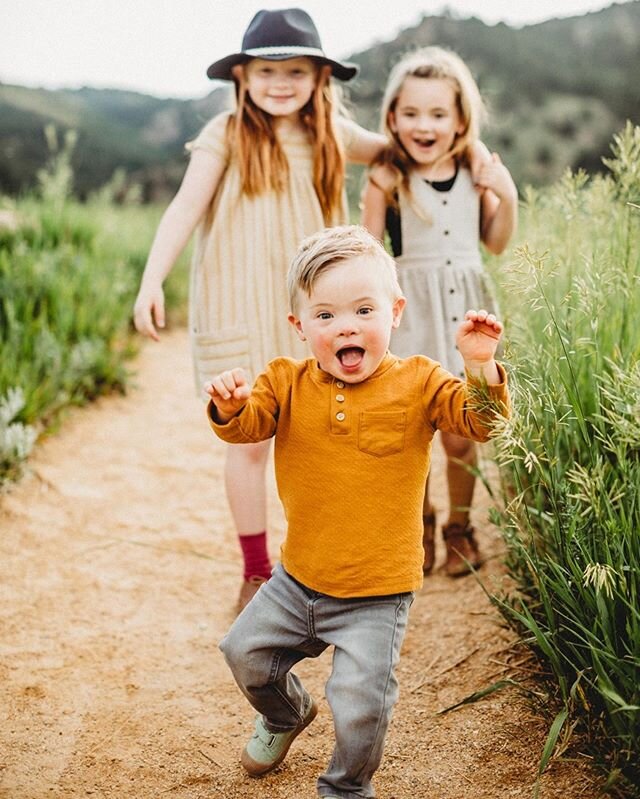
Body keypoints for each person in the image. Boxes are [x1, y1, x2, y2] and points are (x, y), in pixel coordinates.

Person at [205, 224, 510, 799]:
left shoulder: (420, 381)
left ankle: (346, 788)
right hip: (298, 579)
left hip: (377, 592)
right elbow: (246, 427)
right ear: (300, 327)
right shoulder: (284, 382)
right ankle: (286, 713)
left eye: (363, 309)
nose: (346, 325)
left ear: (394, 312)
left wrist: (479, 366)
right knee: (243, 652)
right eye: (325, 316)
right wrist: (229, 405)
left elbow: (481, 423)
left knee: (361, 704)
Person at [132, 8, 386, 613]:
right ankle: (254, 571)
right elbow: (184, 208)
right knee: (246, 441)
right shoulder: (227, 132)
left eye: (297, 70)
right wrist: (151, 280)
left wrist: (475, 161)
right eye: (267, 69)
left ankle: (324, 566)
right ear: (242, 75)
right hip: (236, 305)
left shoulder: (333, 133)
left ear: (320, 79)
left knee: (323, 432)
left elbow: (394, 153)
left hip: (317, 312)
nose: (281, 81)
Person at [361, 46, 518, 577]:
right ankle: (419, 525)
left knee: (462, 428)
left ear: (459, 120)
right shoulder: (386, 177)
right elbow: (369, 252)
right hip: (412, 311)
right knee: (412, 427)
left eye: (437, 114)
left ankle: (459, 527)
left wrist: (507, 195)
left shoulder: (476, 166)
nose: (423, 125)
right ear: (392, 118)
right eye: (410, 113)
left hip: (466, 315)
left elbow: (494, 242)